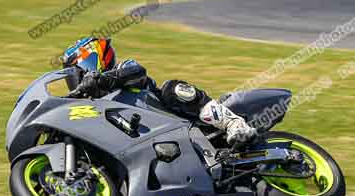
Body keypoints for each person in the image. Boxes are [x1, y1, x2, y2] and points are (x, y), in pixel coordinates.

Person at [60, 37, 258, 148]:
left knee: (172, 89)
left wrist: (99, 80)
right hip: (146, 141)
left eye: (76, 70)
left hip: (175, 119)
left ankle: (233, 123)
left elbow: (138, 72)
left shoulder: (123, 68)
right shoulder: (94, 103)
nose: (75, 78)